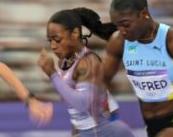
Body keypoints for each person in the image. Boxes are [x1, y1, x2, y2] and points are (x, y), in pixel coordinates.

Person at [102, 0, 173, 137]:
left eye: (126, 24)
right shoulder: (119, 42)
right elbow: (101, 81)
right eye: (117, 25)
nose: (121, 31)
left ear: (143, 13)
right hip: (151, 125)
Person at [38, 7, 134, 137]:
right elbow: (74, 109)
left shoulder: (88, 63)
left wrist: (52, 74)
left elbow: (82, 104)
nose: (53, 46)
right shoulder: (64, 62)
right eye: (50, 40)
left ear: (75, 33)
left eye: (57, 39)